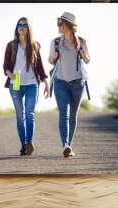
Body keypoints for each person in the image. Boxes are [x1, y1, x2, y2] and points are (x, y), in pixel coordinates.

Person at [3, 17, 50, 156]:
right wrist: (9, 73)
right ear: (16, 28)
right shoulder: (11, 45)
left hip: (32, 84)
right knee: (20, 116)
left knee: (29, 114)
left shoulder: (35, 45)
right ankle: (23, 145)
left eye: (24, 25)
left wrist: (46, 83)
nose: (22, 27)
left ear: (29, 28)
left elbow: (40, 67)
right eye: (19, 24)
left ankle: (29, 143)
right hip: (15, 83)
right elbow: (5, 65)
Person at [49, 12, 90, 158]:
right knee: (64, 115)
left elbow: (87, 60)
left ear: (69, 26)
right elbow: (50, 60)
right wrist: (53, 57)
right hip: (60, 82)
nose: (58, 26)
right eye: (58, 23)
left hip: (78, 83)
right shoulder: (55, 42)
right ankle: (65, 145)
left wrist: (83, 54)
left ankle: (69, 146)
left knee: (73, 116)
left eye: (61, 23)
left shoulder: (82, 41)